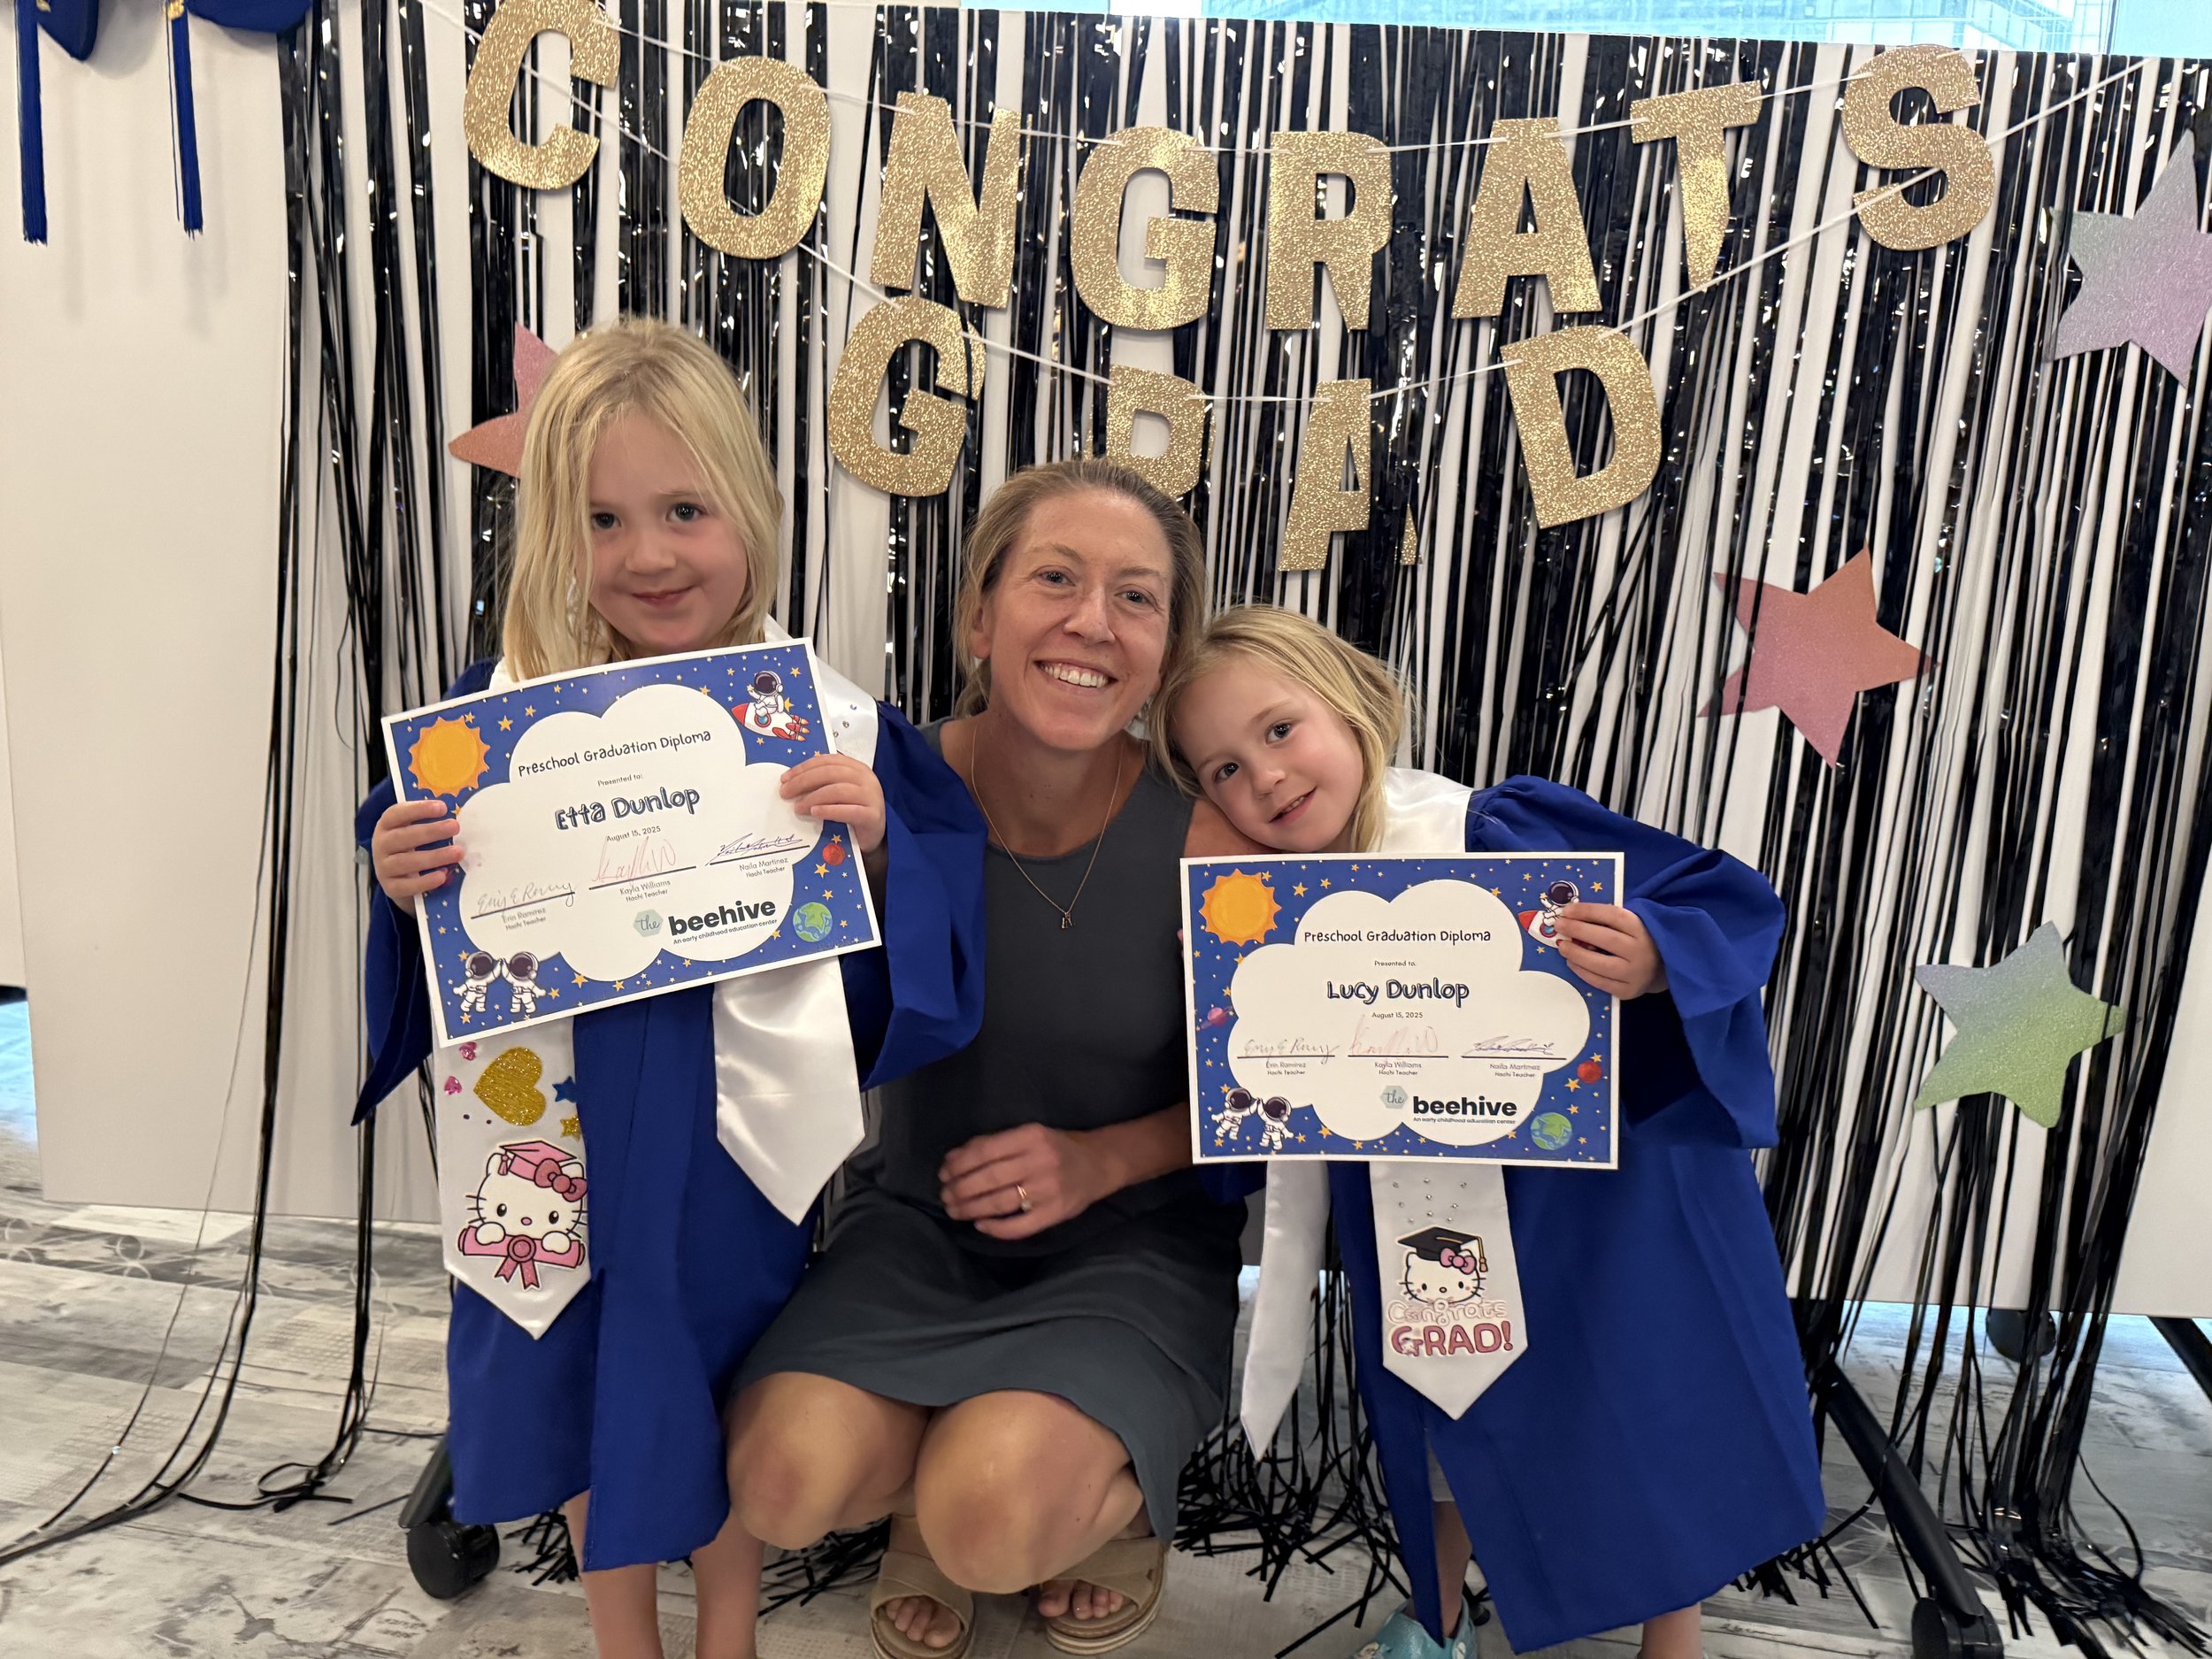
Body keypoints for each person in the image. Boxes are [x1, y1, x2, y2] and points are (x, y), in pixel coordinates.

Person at [357, 319, 985, 1659]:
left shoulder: (821, 716)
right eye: (602, 518)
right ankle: (623, 1635)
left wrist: (876, 841)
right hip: (549, 1120)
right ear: (552, 533)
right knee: (571, 1362)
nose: (647, 554)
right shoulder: (503, 715)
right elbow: (428, 891)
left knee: (719, 1371)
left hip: (726, 1127)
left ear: (747, 510)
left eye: (684, 509)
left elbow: (930, 916)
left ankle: (729, 1631)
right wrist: (397, 862)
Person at [1153, 605, 1824, 1659]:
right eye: (1224, 770)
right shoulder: (1255, 911)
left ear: (1352, 706)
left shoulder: (1492, 831)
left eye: (1280, 731)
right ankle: (1440, 1611)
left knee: (1640, 1405)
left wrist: (1651, 953)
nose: (1265, 779)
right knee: (1443, 1403)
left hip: (1603, 1204)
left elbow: (1722, 900)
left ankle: (1673, 1636)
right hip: (1423, 1201)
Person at [724, 458, 1254, 1659]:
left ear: (1167, 649)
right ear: (979, 613)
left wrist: (1102, 1159)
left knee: (991, 1520)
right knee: (780, 1483)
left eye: (1136, 596)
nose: (1090, 622)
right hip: (914, 1224)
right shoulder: (871, 784)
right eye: (1055, 578)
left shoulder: (1216, 825)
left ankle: (1080, 1499)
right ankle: (955, 1455)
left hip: (1131, 1242)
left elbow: (1280, 1087)